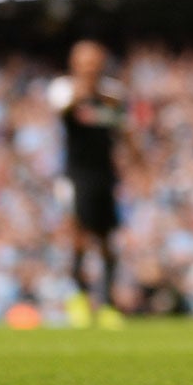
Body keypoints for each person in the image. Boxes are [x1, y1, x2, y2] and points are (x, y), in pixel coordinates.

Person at [49, 40, 126, 329]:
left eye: (94, 60)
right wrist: (85, 92)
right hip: (75, 175)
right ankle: (79, 299)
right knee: (78, 238)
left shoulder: (113, 92)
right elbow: (62, 110)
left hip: (104, 175)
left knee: (107, 242)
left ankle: (107, 304)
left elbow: (122, 126)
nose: (89, 66)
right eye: (84, 60)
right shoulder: (63, 88)